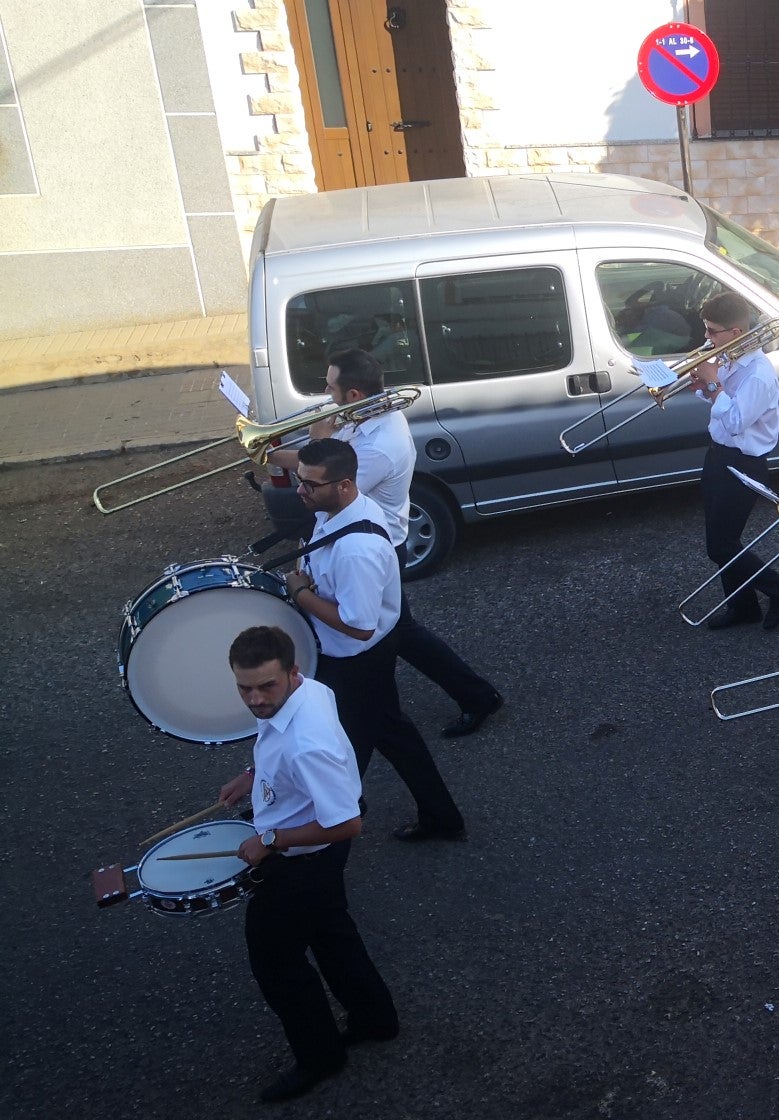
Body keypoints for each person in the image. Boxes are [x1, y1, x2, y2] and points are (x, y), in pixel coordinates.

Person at [263, 348, 505, 739]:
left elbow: (325, 481)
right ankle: (463, 697)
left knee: (389, 633)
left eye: (330, 387)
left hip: (375, 546)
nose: (325, 394)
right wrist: (270, 451)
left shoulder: (379, 447)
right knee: (400, 633)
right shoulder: (366, 415)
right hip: (356, 538)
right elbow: (322, 463)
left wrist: (309, 442)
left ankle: (469, 698)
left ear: (354, 394)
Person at [218, 625, 398, 1103]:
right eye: (244, 687)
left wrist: (270, 840)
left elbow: (347, 824)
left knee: (275, 961)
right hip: (309, 852)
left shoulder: (308, 745)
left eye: (265, 687)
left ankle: (321, 1057)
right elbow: (277, 738)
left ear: (291, 673)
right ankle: (376, 1019)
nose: (255, 700)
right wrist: (254, 772)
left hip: (303, 858)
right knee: (331, 931)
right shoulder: (308, 689)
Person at [288, 438, 468, 842]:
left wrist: (301, 595)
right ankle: (439, 816)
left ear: (345, 485)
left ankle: (331, 813)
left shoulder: (356, 551)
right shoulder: (335, 509)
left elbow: (359, 626)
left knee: (344, 738)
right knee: (390, 735)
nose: (301, 490)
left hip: (357, 659)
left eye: (310, 485)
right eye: (300, 481)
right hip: (352, 656)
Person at [686, 292, 779, 630]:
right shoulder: (730, 359)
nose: (706, 337)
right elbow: (720, 399)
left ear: (735, 333)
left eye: (712, 331)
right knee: (722, 539)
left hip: (744, 464)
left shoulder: (759, 375)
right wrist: (704, 386)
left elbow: (737, 420)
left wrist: (712, 383)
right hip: (719, 455)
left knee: (721, 545)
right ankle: (744, 606)